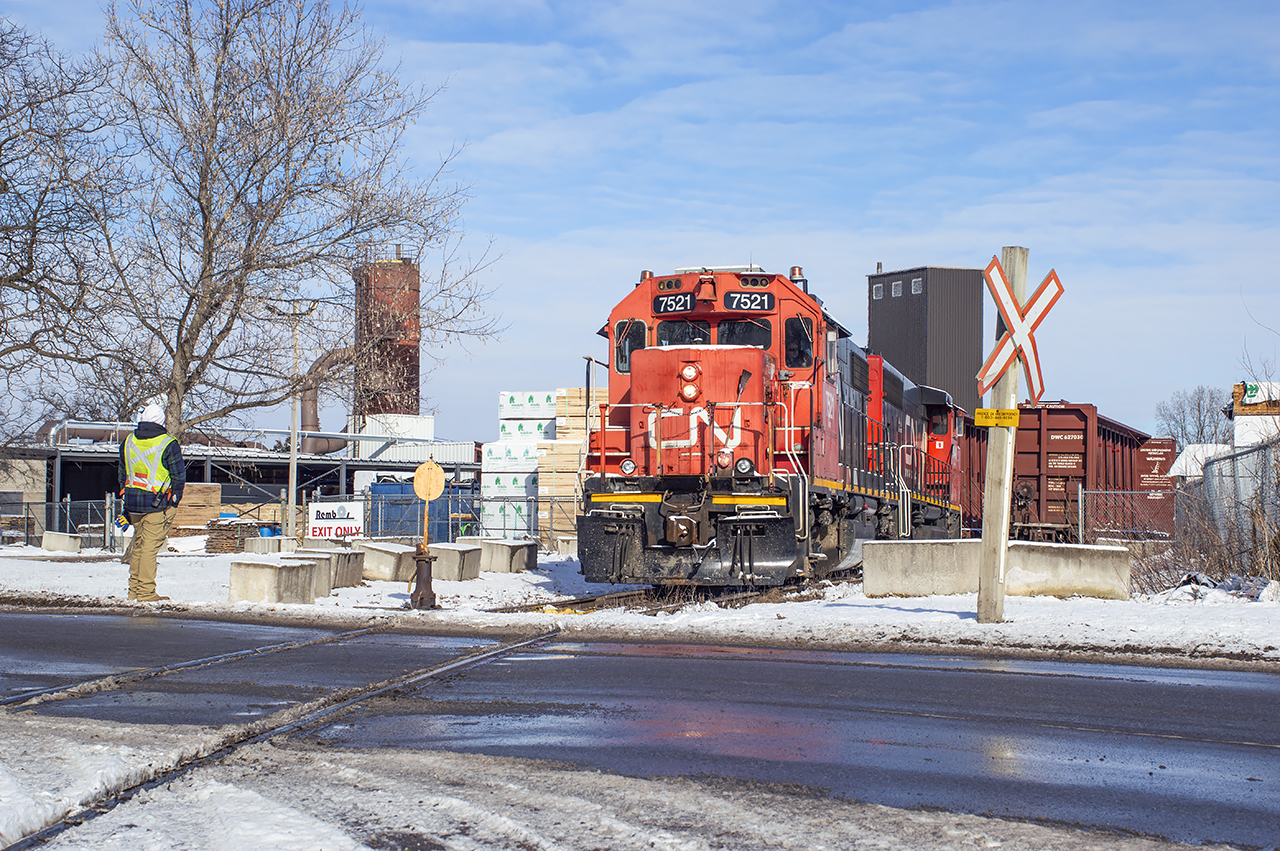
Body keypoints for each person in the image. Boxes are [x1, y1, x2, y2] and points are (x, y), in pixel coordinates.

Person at [118, 403, 186, 602]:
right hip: (157, 504)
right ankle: (146, 593)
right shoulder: (168, 443)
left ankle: (134, 591)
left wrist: (125, 494)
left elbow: (122, 472)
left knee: (139, 546)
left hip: (132, 502)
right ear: (161, 421)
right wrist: (175, 501)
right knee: (149, 548)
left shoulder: (129, 441)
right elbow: (178, 476)